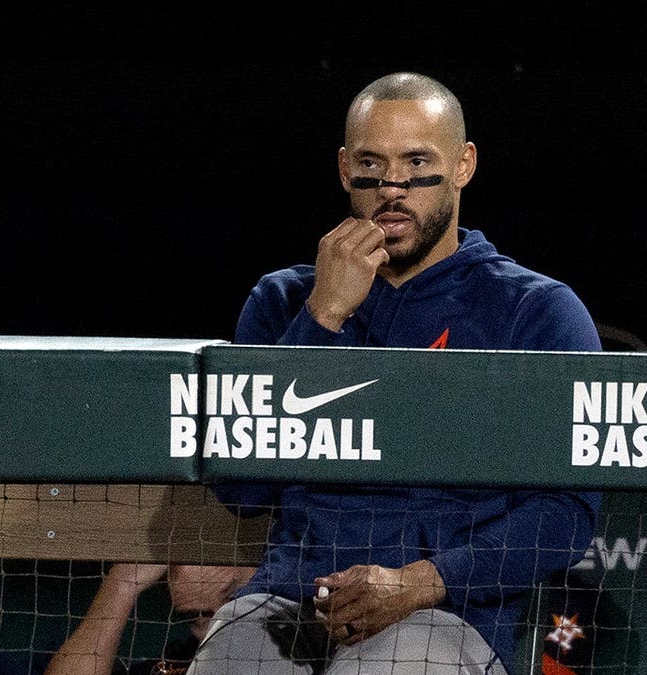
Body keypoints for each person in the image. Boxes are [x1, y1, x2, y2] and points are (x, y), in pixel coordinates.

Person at [188, 72, 603, 675]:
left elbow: (568, 513)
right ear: (342, 170)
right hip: (287, 602)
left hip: (443, 614)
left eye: (417, 163)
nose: (393, 188)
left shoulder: (534, 312)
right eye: (372, 165)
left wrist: (422, 582)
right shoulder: (284, 301)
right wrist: (323, 315)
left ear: (462, 166)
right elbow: (241, 491)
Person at [46, 563, 255, 675]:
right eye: (201, 617)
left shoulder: (285, 647)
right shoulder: (174, 666)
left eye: (233, 599)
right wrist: (121, 586)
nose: (224, 624)